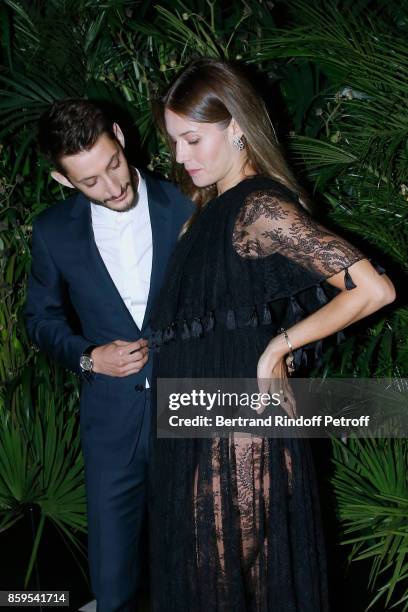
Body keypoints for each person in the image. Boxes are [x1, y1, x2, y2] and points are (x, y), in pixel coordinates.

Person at [147, 58, 396, 611]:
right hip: (200, 412)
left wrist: (279, 349)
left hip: (237, 417)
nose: (181, 156)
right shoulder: (207, 211)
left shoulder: (258, 206)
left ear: (236, 126)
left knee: (223, 585)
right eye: (175, 141)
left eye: (192, 139)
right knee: (221, 581)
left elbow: (372, 290)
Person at [25, 99, 193, 612]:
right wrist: (88, 357)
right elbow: (41, 320)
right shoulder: (53, 232)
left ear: (120, 135)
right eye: (90, 182)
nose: (113, 187)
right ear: (62, 180)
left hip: (190, 408)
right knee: (112, 580)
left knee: (190, 565)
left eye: (113, 164)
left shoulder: (188, 204)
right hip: (111, 421)